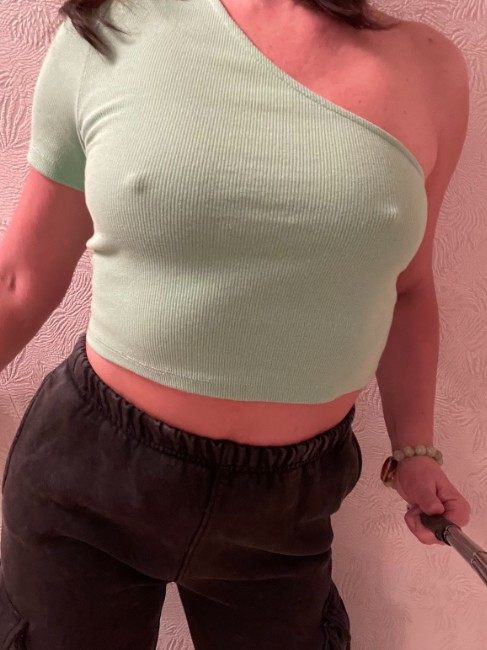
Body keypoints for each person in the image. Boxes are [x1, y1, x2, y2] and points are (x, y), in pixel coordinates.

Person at [0, 0, 470, 648]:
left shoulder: (428, 68)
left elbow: (409, 288)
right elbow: (19, 279)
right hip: (92, 476)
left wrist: (414, 449)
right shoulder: (107, 27)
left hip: (289, 506)